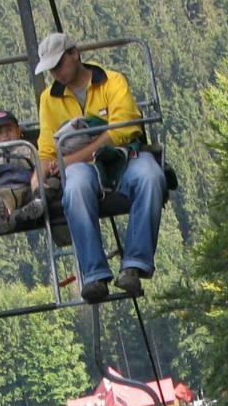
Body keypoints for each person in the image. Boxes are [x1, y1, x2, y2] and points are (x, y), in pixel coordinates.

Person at [34, 31, 167, 303]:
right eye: (51, 69)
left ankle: (134, 264)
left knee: (151, 176)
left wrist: (72, 158)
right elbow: (48, 149)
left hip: (121, 157)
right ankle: (94, 275)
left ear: (75, 54)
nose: (56, 74)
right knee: (76, 188)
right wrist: (38, 177)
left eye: (59, 65)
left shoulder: (112, 81)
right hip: (82, 168)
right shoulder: (50, 99)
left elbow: (124, 128)